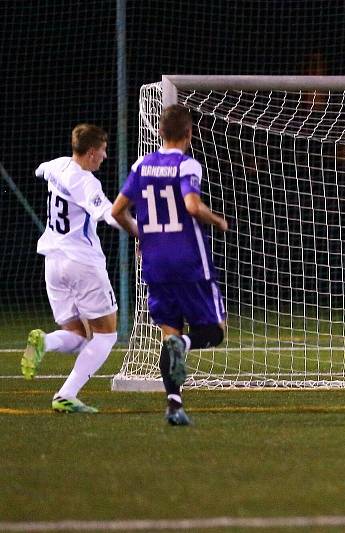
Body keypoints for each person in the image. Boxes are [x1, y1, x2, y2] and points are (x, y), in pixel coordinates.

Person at [111, 104, 229, 426]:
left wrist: (142, 234)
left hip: (156, 262)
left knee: (168, 332)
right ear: (189, 134)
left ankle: (174, 405)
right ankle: (185, 345)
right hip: (189, 260)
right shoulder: (188, 165)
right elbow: (191, 205)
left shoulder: (142, 165)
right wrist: (217, 219)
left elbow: (117, 211)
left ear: (160, 132)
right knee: (214, 331)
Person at [22, 124, 124, 413]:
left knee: (79, 336)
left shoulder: (57, 165)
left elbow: (40, 169)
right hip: (82, 263)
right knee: (106, 335)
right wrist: (143, 231)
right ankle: (66, 394)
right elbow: (108, 213)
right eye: (103, 150)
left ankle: (44, 341)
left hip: (53, 262)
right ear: (91, 153)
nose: (104, 156)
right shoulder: (87, 182)